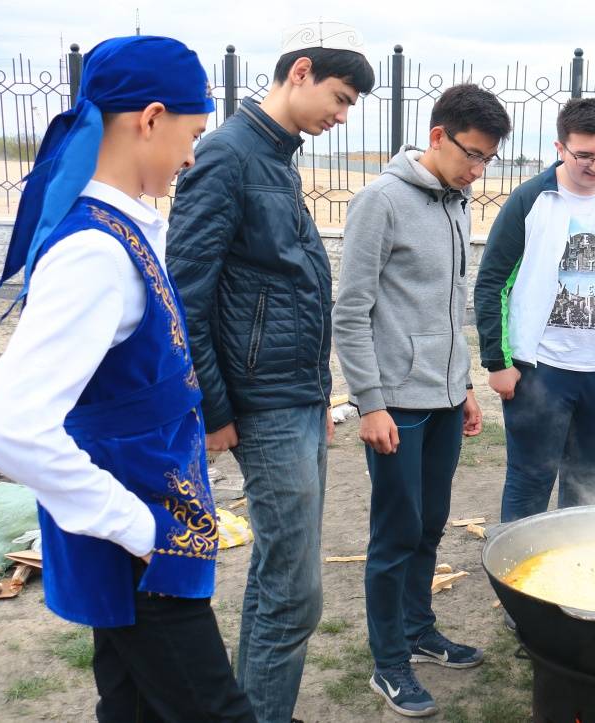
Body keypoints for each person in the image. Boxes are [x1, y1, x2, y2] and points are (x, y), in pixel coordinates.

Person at [0, 36, 254, 721]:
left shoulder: (127, 227)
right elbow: (12, 426)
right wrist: (133, 524)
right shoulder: (95, 252)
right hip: (142, 543)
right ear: (151, 117)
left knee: (134, 706)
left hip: (153, 525)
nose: (194, 154)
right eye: (193, 133)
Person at [166, 21, 375, 722]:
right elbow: (185, 296)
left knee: (277, 574)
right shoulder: (228, 155)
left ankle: (252, 710)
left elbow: (284, 286)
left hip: (294, 397)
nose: (341, 118)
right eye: (340, 99)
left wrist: (318, 394)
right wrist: (215, 408)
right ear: (300, 72)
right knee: (295, 588)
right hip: (259, 404)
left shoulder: (275, 155)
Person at [333, 83, 510, 717]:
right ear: (437, 137)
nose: (478, 170)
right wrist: (370, 402)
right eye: (472, 155)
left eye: (488, 160)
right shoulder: (380, 201)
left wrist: (461, 384)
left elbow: (448, 307)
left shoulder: (456, 202)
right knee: (395, 531)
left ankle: (418, 630)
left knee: (431, 521)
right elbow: (351, 313)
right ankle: (388, 663)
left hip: (440, 398)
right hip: (395, 403)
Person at [474, 97, 595, 523]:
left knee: (585, 481)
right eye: (584, 155)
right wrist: (498, 362)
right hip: (540, 370)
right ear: (560, 148)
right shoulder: (530, 200)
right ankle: (517, 579)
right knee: (530, 479)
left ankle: (570, 576)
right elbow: (493, 282)